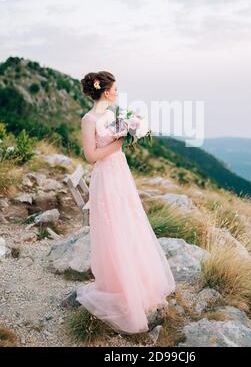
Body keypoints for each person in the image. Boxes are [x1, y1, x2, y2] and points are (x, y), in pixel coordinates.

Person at [76, 71, 176, 334]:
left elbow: (115, 143)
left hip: (120, 173)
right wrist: (120, 141)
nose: (118, 92)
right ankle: (117, 286)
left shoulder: (110, 115)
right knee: (113, 229)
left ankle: (137, 281)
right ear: (105, 91)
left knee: (129, 223)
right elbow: (91, 155)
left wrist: (128, 134)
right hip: (106, 177)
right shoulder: (89, 119)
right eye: (116, 88)